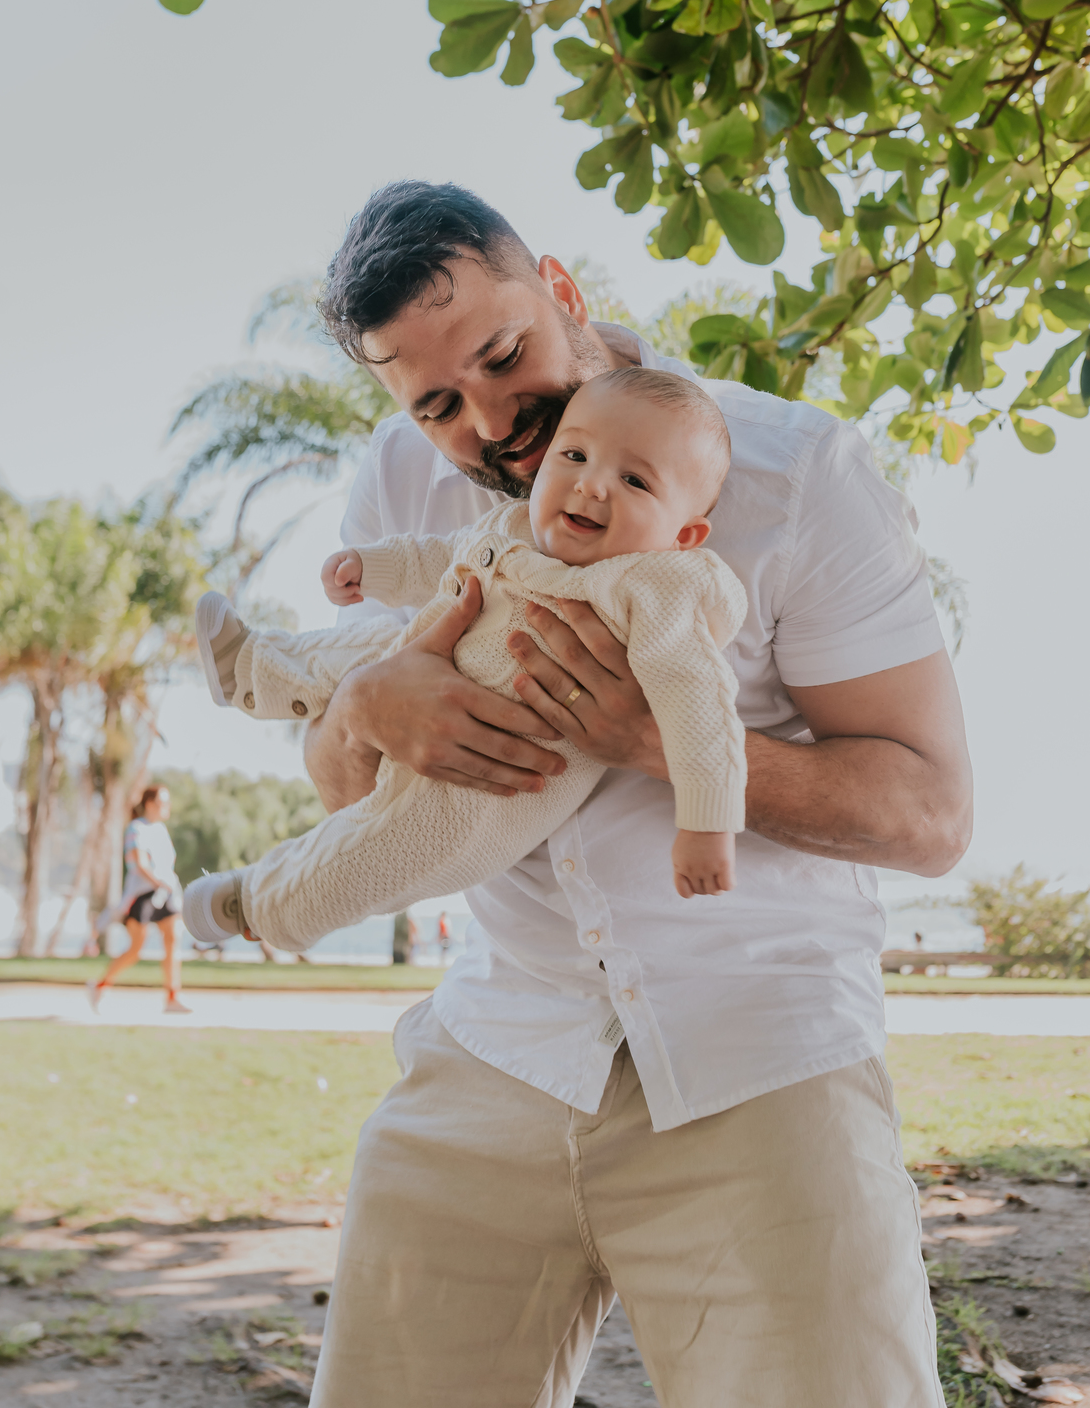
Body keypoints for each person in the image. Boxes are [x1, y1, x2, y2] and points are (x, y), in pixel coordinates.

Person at [252, 183, 974, 1406]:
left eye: (502, 356)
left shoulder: (800, 475)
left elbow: (931, 814)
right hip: (494, 1047)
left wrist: (658, 740)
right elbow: (343, 790)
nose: (491, 422)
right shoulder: (402, 487)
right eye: (437, 404)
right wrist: (368, 708)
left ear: (563, 292)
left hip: (760, 1061)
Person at [186, 369, 748, 956]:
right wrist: (372, 568)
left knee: (375, 852)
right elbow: (439, 557)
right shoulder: (514, 526)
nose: (590, 486)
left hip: (484, 791)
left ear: (685, 535)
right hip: (423, 674)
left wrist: (708, 823)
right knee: (369, 646)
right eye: (575, 455)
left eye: (634, 480)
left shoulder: (656, 588)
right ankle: (252, 670)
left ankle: (258, 904)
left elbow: (701, 708)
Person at [87, 784, 190, 1016]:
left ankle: (173, 996)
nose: (168, 806)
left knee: (173, 938)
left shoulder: (161, 829)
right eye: (163, 802)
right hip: (143, 895)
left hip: (165, 893)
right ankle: (100, 986)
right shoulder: (136, 828)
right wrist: (158, 882)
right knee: (136, 948)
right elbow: (140, 864)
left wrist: (167, 885)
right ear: (150, 804)